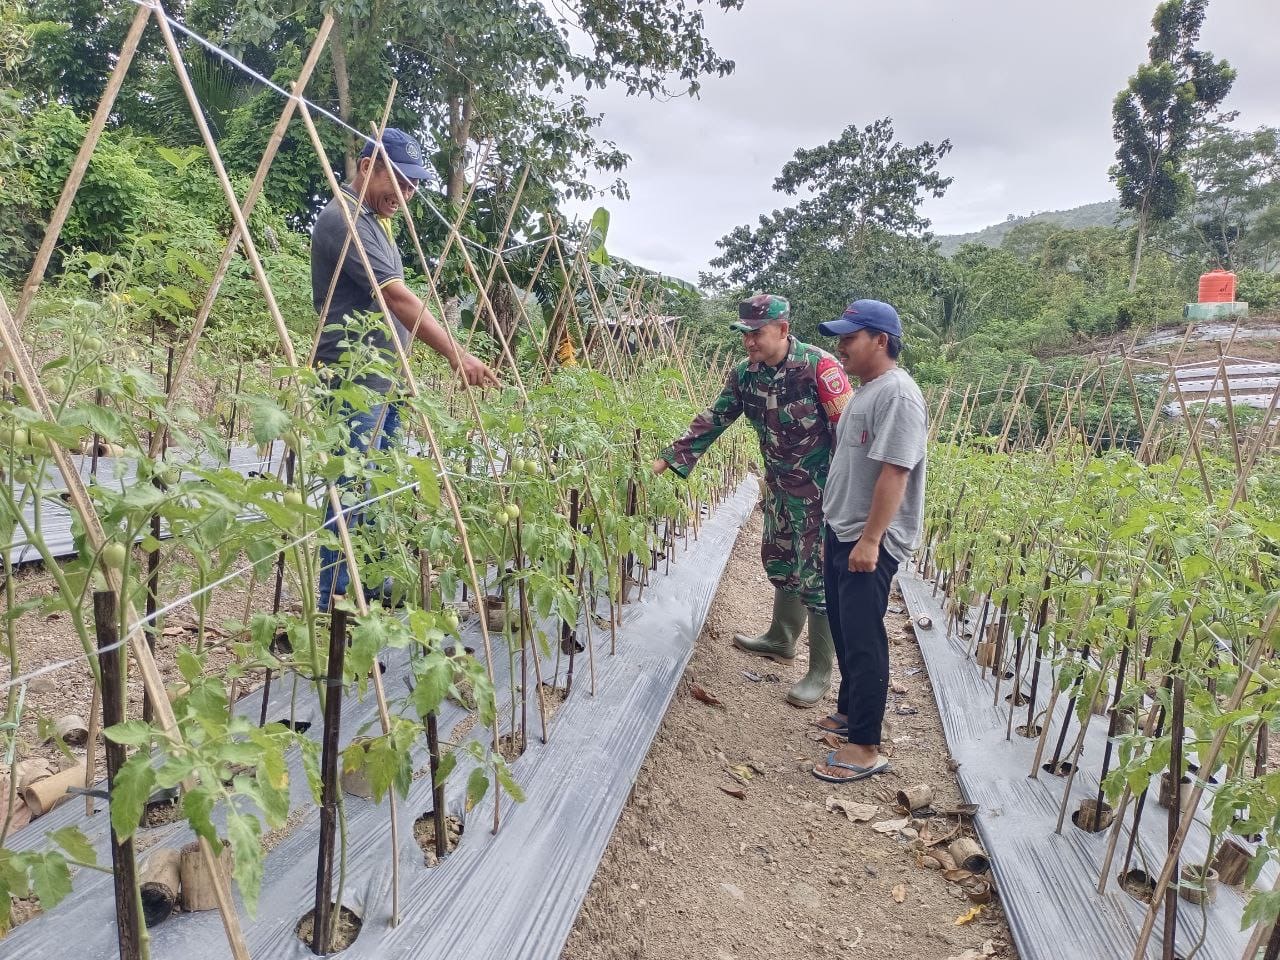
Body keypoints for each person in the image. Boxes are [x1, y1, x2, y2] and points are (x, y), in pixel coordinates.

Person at [311, 127, 498, 612]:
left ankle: (368, 582)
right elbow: (396, 297)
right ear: (367, 165)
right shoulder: (343, 220)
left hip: (384, 379)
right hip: (352, 380)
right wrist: (457, 354)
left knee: (375, 482)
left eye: (413, 185)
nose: (406, 194)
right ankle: (336, 598)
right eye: (399, 181)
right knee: (351, 484)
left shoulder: (374, 222)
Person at [654, 294, 851, 707]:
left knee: (817, 577)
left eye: (756, 333)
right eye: (744, 333)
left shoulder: (820, 368)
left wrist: (849, 497)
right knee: (781, 561)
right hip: (779, 487)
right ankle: (782, 638)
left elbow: (848, 434)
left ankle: (820, 672)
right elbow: (716, 417)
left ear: (783, 330)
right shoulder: (746, 374)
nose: (748, 342)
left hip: (821, 495)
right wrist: (672, 456)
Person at [811, 300, 927, 783]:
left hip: (868, 538)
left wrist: (871, 539)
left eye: (849, 338)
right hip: (845, 531)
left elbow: (896, 472)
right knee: (844, 628)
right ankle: (848, 711)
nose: (841, 347)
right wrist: (838, 529)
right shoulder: (868, 390)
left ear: (881, 340)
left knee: (863, 638)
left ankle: (864, 745)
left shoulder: (898, 395)